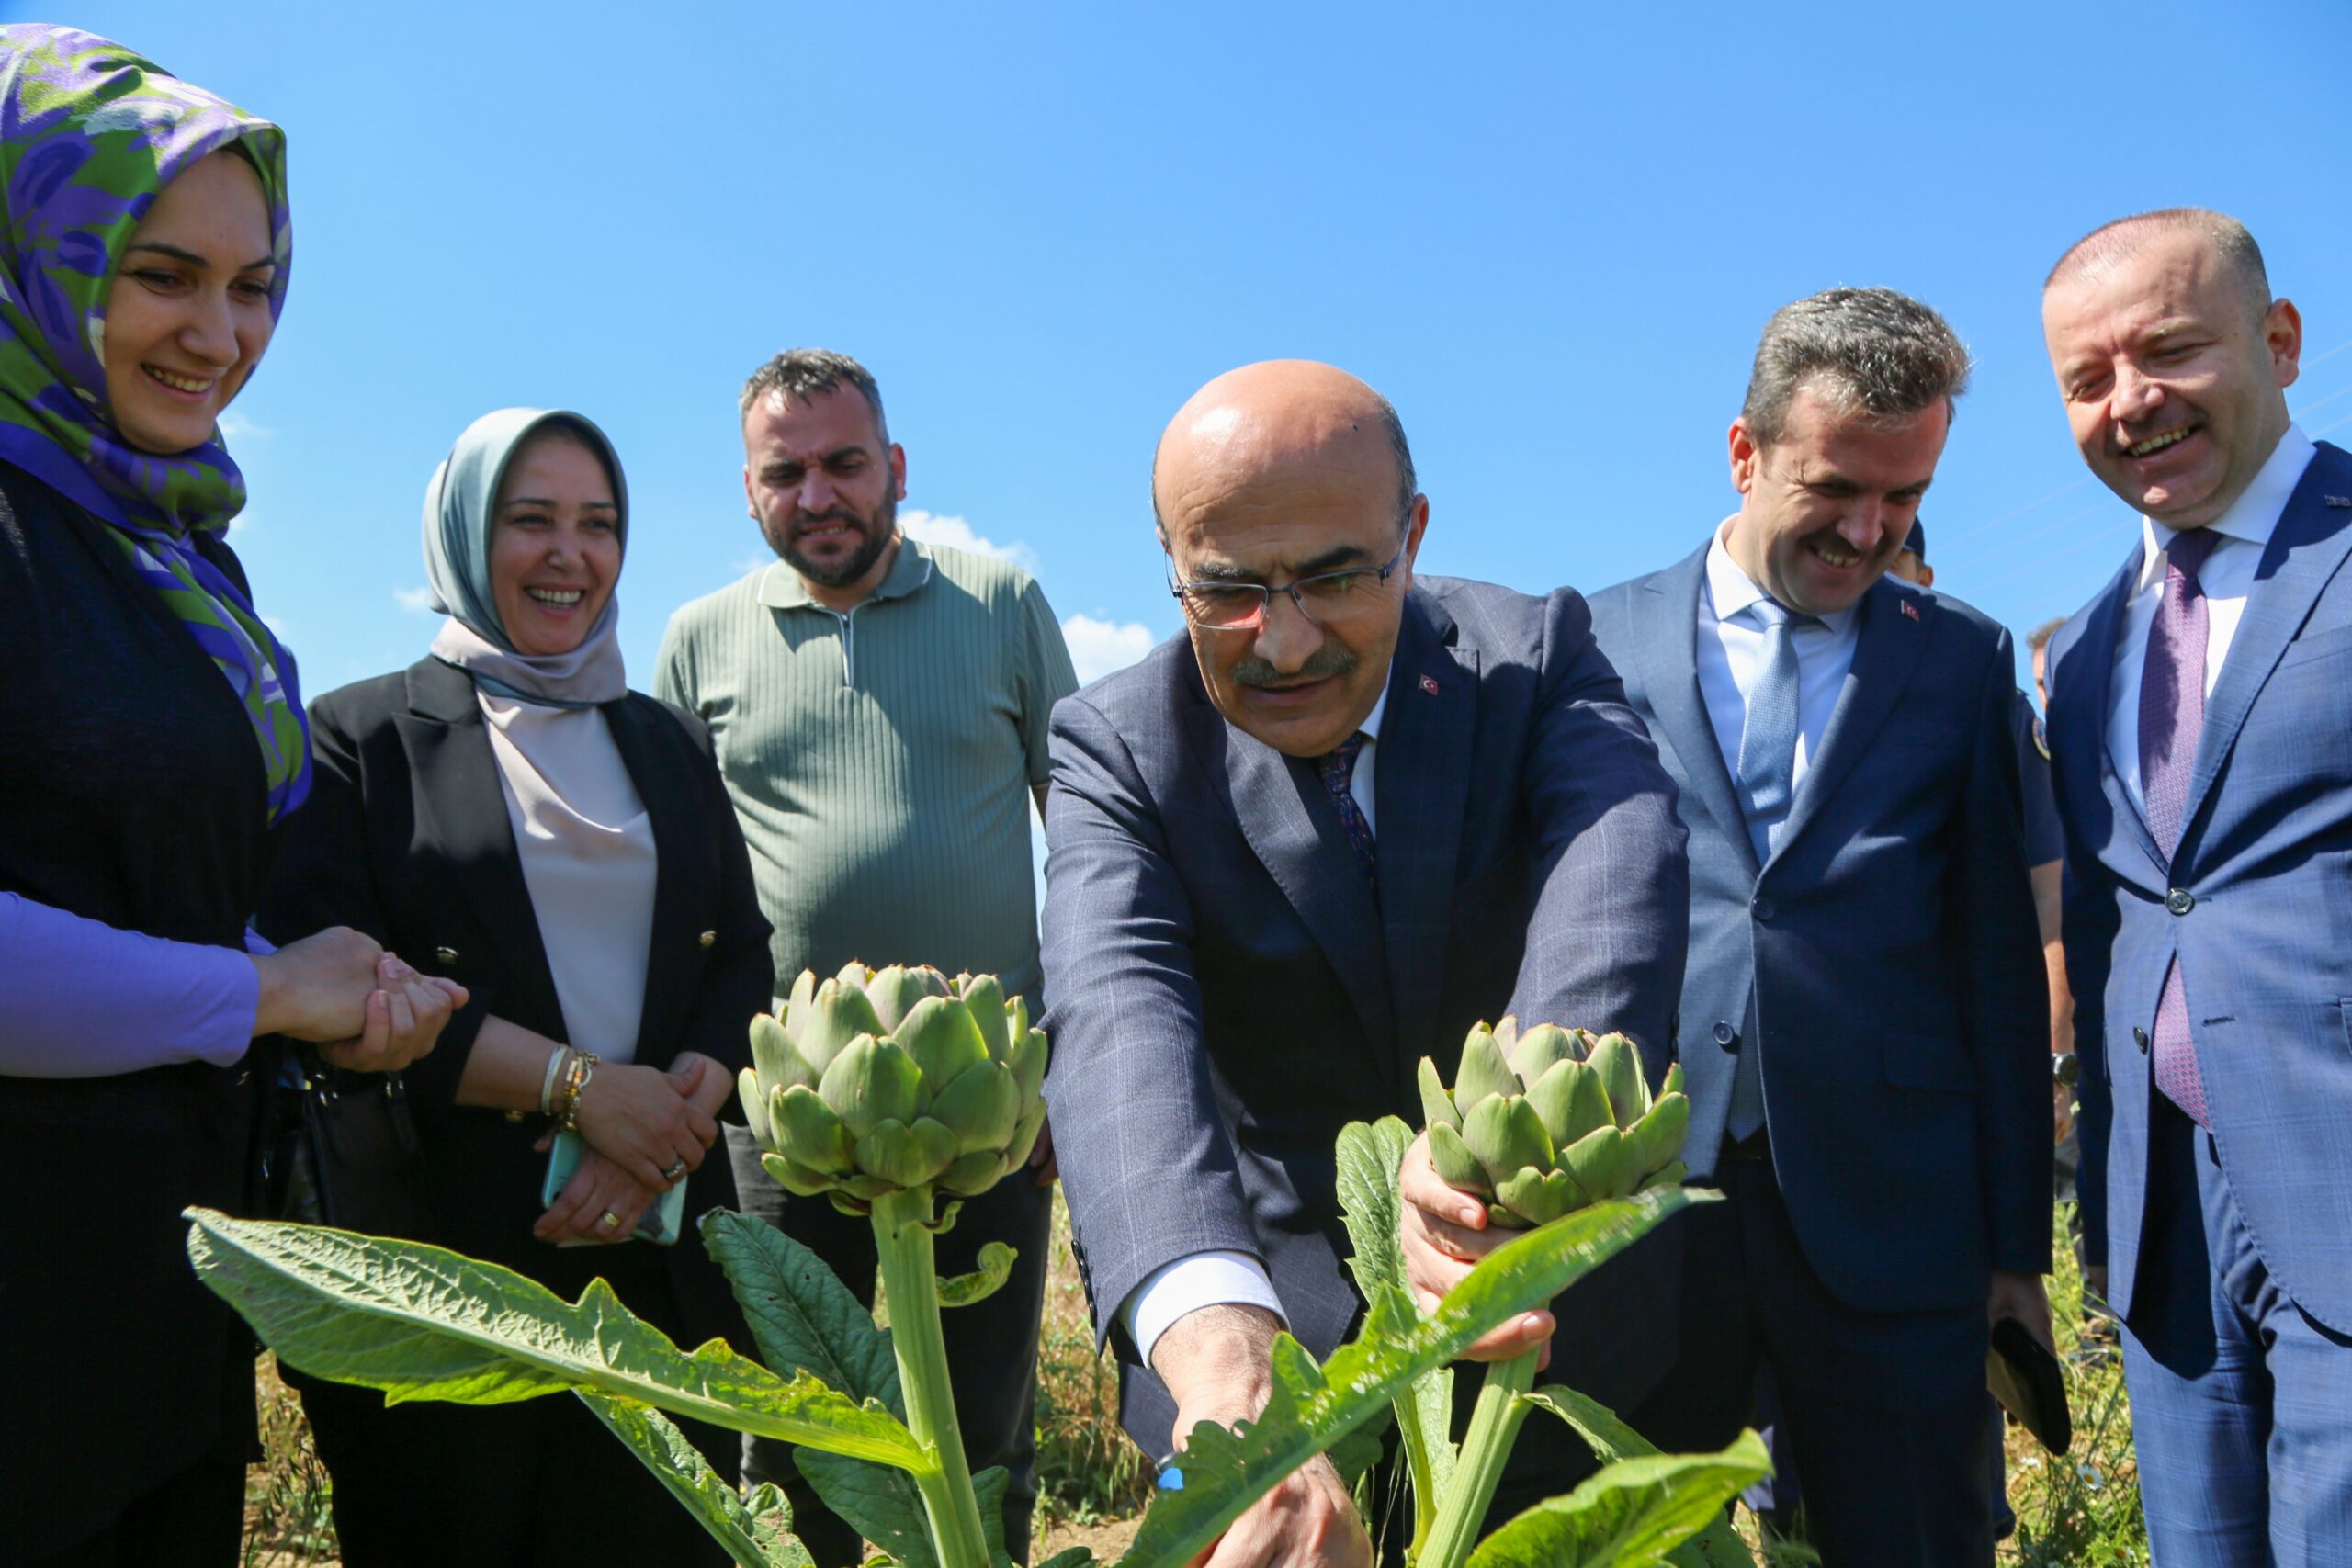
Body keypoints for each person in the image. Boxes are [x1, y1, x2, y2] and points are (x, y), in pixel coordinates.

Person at [1408, 289, 2053, 1565]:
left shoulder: (1964, 661)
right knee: (1630, 1531)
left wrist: (2013, 1247)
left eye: (1905, 498)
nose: (1869, 531)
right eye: (1835, 489)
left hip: (1890, 1212)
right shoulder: (1588, 637)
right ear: (1745, 454)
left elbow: (1993, 963)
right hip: (1633, 1191)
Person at [1042, 359, 1690, 1568]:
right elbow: (1116, 1021)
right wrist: (1226, 1362)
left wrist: (1502, 1158)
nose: (1281, 641)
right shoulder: (1118, 746)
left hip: (1542, 1351)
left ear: (1414, 533)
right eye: (1226, 589)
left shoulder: (1536, 656)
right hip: (1261, 1361)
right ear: (1170, 560)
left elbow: (1620, 874)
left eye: (1336, 577)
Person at [0, 30, 461, 1563]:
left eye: (253, 283)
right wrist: (262, 996)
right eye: (160, 275)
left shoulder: (181, 548)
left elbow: (173, 858)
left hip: (157, 1316)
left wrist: (344, 989)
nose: (220, 333)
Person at [257, 408, 772, 1565]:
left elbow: (738, 949)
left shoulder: (671, 743)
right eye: (528, 519)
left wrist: (674, 1120)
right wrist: (581, 1092)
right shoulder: (358, 739)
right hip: (448, 1263)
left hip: (658, 1252)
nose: (568, 553)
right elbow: (345, 992)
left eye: (598, 524)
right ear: (457, 536)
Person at [656, 348, 1076, 1566]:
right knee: (790, 1432)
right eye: (786, 472)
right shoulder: (699, 642)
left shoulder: (998, 603)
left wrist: (1073, 1056)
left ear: (894, 467)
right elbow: (679, 881)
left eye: (844, 464)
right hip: (782, 1107)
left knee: (986, 1418)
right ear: (749, 491)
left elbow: (1093, 839)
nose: (819, 494)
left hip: (989, 1092)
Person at [2039, 207, 2352, 1565]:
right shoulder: (2092, 642)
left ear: (2279, 343)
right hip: (2162, 1224)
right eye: (2089, 379)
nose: (2132, 402)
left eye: (2170, 351)